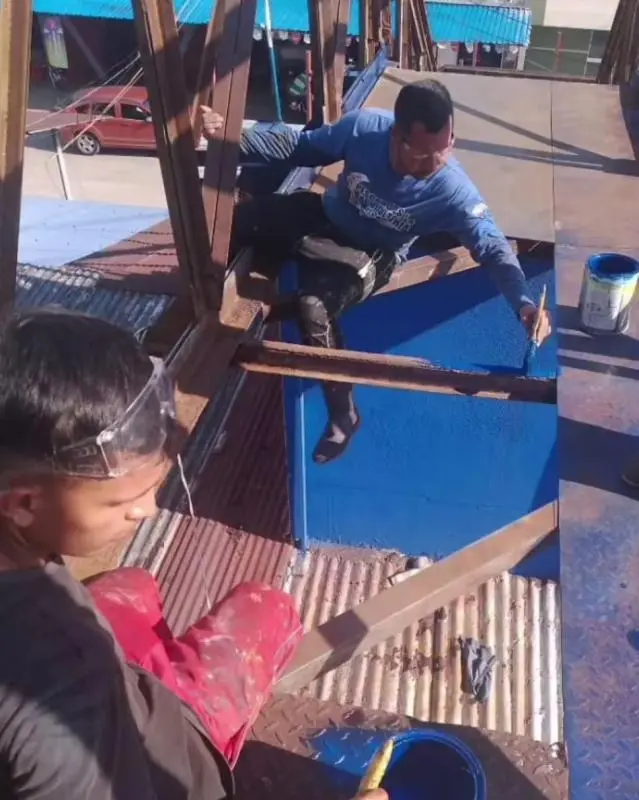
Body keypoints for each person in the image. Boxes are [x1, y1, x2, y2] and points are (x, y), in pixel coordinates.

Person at [0, 308, 308, 799]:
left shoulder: (21, 544)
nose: (147, 510)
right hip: (174, 761)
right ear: (23, 504)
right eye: (122, 500)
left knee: (133, 582)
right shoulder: (62, 703)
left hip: (126, 692)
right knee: (268, 605)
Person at [201, 78, 552, 465]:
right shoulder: (363, 129)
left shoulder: (452, 190)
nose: (437, 162)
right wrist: (232, 135)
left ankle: (344, 414)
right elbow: (301, 147)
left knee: (313, 307)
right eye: (424, 154)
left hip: (375, 252)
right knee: (236, 222)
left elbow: (492, 247)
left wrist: (523, 304)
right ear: (396, 137)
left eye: (446, 148)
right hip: (329, 217)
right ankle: (210, 314)